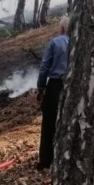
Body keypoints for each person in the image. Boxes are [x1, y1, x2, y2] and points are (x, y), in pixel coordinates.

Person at [35, 15, 70, 171]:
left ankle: (46, 160)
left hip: (55, 86)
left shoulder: (56, 42)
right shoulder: (80, 44)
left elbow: (44, 67)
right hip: (72, 87)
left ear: (62, 28)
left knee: (49, 123)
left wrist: (41, 88)